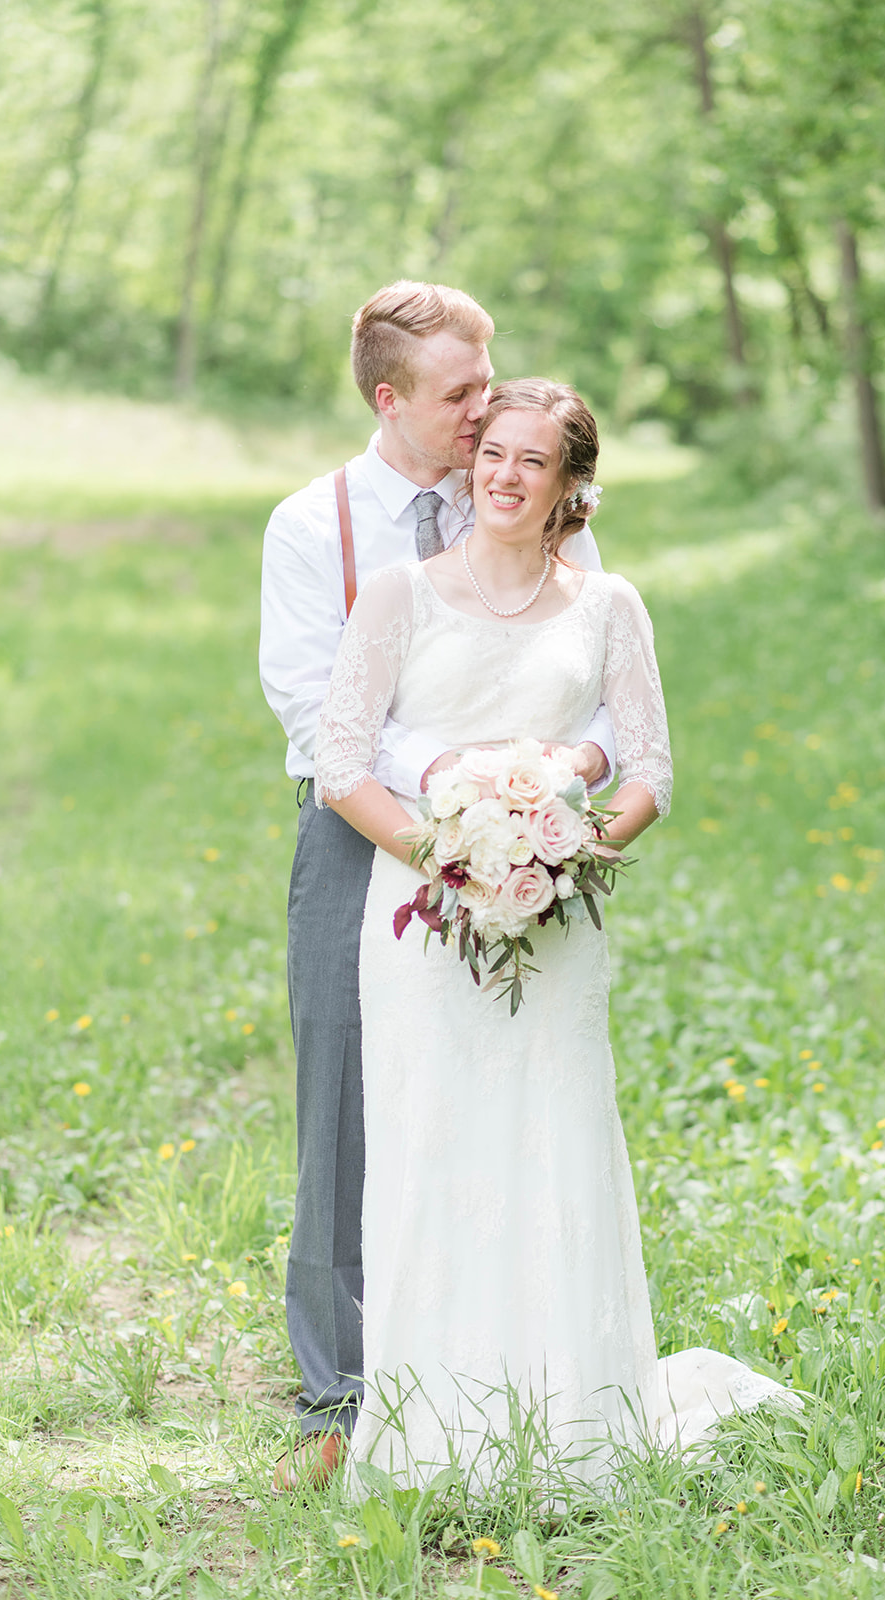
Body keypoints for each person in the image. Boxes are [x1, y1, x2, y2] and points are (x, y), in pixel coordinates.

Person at [314, 380, 797, 1489]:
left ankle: (573, 1421)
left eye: (534, 461)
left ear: (572, 487)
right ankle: (433, 1429)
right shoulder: (397, 595)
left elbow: (652, 775)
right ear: (467, 462)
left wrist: (560, 856)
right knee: (434, 1147)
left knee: (556, 1141)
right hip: (424, 925)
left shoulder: (609, 606)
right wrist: (451, 857)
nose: (504, 475)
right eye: (491, 451)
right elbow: (342, 763)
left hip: (557, 927)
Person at [259, 285, 615, 1490]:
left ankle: (494, 1356)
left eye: (489, 380)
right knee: (347, 1099)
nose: (485, 409)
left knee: (495, 1090)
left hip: (521, 841)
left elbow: (595, 675)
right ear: (389, 398)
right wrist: (455, 791)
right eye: (462, 392)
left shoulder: (532, 495)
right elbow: (316, 717)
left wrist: (532, 799)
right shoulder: (316, 525)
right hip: (357, 832)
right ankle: (339, 1388)